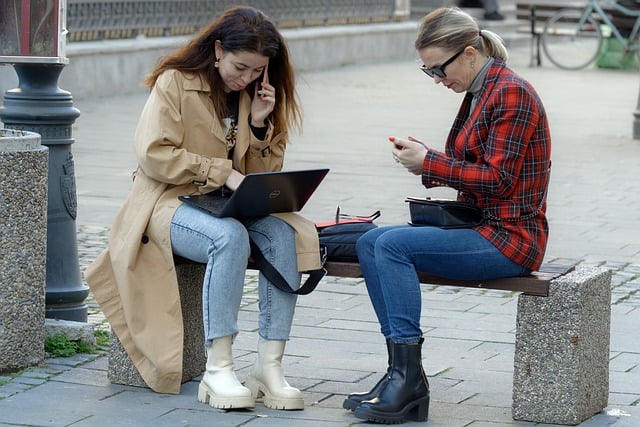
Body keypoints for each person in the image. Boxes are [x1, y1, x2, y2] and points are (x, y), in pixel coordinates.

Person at [85, 6, 323, 411]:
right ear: (217, 49)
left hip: (224, 204)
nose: (246, 78)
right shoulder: (174, 82)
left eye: (256, 70)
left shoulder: (255, 97)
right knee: (228, 238)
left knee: (284, 234)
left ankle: (270, 366)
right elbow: (153, 153)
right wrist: (221, 171)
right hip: (165, 203)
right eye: (240, 67)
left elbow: (259, 176)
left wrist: (261, 127)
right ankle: (219, 368)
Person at [343, 6, 551, 424]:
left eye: (438, 69)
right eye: (429, 71)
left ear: (470, 53)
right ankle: (402, 374)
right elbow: (471, 164)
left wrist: (430, 164)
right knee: (369, 241)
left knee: (393, 245)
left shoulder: (510, 92)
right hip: (482, 227)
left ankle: (407, 380)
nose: (438, 80)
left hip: (511, 238)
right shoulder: (480, 90)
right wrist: (427, 157)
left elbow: (498, 178)